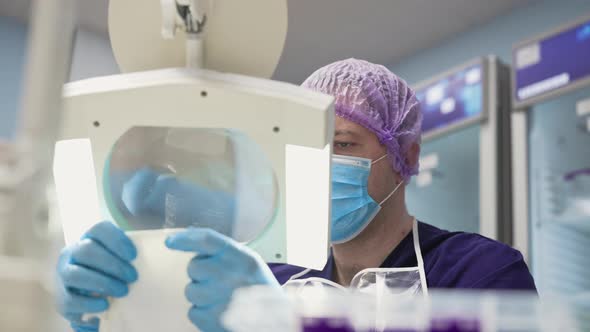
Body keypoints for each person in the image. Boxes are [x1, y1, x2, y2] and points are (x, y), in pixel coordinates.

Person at [55, 59, 536, 332]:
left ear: (404, 157)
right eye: (314, 146)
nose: (323, 163)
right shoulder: (270, 276)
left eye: (344, 144)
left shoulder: (479, 271)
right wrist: (116, 302)